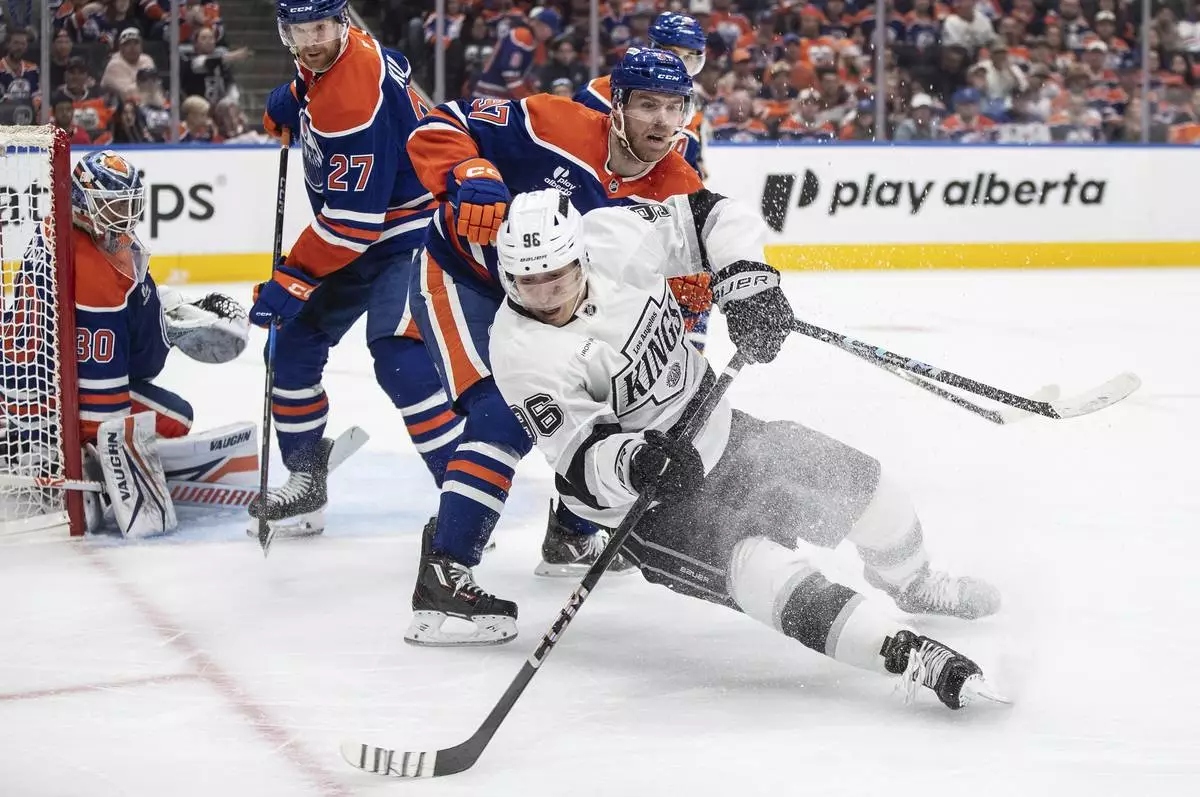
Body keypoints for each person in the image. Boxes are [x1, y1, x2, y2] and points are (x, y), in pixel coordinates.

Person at [489, 188, 1005, 712]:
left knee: (868, 488)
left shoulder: (614, 235)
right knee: (764, 572)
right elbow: (579, 460)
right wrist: (636, 462)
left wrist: (747, 284)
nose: (547, 297)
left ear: (581, 256)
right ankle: (906, 654)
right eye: (529, 283)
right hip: (647, 503)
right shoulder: (521, 352)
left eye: (558, 278)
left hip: (723, 431)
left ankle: (914, 583)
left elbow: (709, 214)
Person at [401, 49, 726, 646]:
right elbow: (439, 124)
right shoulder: (556, 122)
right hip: (467, 277)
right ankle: (445, 575)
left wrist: (713, 301)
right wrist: (470, 171)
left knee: (616, 407)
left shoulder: (678, 184)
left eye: (674, 107)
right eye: (647, 105)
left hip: (567, 301)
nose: (662, 121)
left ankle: (571, 531)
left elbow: (679, 286)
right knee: (502, 414)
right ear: (617, 106)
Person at [248, 0, 453, 537]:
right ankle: (305, 480)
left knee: (400, 357)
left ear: (341, 23)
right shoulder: (346, 52)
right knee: (290, 346)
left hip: (412, 229)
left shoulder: (350, 98)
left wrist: (293, 277)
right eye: (299, 31)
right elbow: (395, 61)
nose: (311, 42)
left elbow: (350, 225)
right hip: (363, 233)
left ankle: (466, 497)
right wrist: (298, 93)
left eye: (320, 28)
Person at [9, 150, 251, 536]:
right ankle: (53, 456)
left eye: (128, 203)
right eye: (114, 205)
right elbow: (103, 405)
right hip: (48, 400)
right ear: (83, 202)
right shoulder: (94, 277)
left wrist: (160, 312)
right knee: (178, 418)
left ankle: (38, 442)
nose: (125, 214)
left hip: (27, 381)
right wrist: (101, 456)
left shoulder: (65, 231)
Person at [574, 12, 707, 178]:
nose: (682, 67)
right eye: (674, 54)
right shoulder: (595, 94)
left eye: (691, 59)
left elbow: (685, 178)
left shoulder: (689, 119)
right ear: (654, 49)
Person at [472, 6, 560, 100]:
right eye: (551, 30)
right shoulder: (522, 36)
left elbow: (519, 75)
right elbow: (510, 74)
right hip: (491, 95)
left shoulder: (528, 37)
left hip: (495, 94)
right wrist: (528, 98)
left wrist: (533, 93)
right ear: (541, 25)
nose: (550, 35)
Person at [100, 27, 155, 97]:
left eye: (136, 43)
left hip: (145, 101)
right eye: (127, 44)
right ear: (120, 48)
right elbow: (128, 93)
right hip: (117, 103)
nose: (132, 47)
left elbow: (154, 88)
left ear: (141, 46)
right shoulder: (114, 65)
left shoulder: (146, 59)